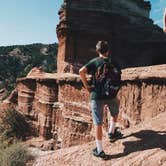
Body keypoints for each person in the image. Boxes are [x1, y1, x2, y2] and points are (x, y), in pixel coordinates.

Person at [79, 41, 122, 158]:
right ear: (108, 50)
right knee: (115, 112)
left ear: (98, 51)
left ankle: (99, 150)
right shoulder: (115, 62)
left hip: (96, 96)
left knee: (98, 123)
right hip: (111, 95)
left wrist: (87, 85)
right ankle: (112, 133)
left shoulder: (94, 62)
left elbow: (81, 71)